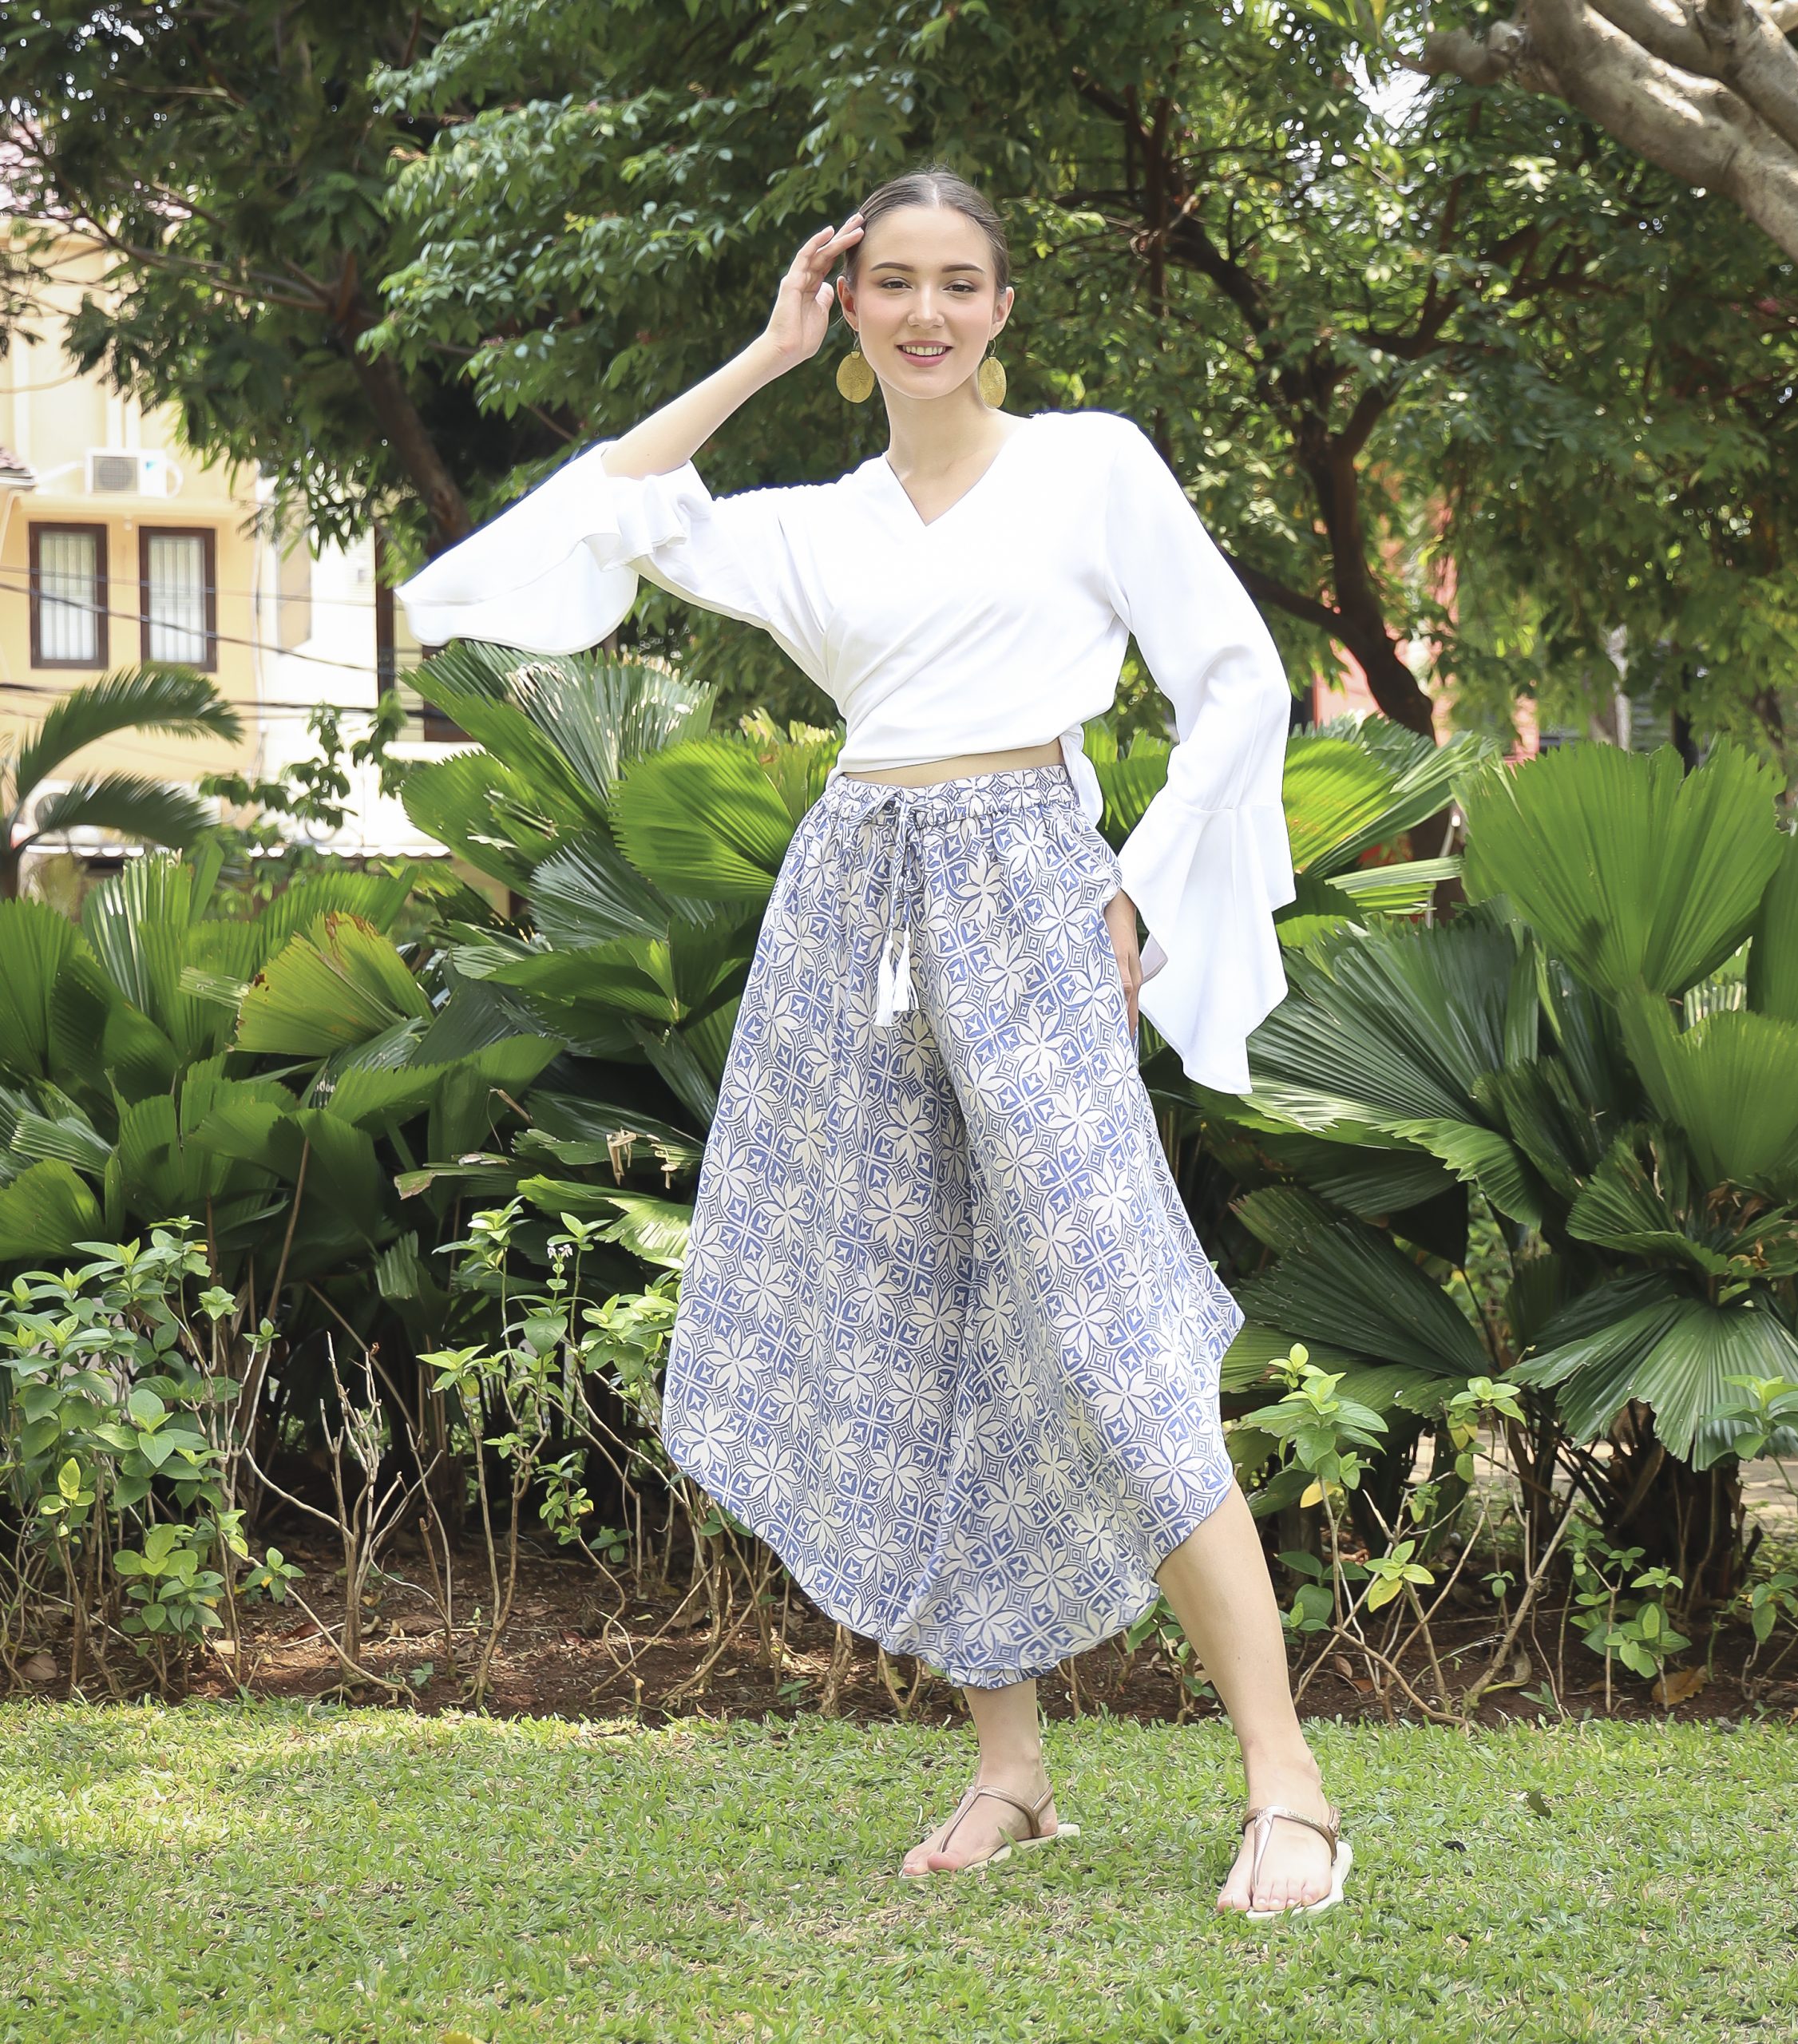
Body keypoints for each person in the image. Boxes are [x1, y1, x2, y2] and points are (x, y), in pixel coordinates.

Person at [398, 165, 1348, 1920]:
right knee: (918, 1328)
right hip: (854, 918)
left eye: (958, 281)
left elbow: (1237, 674)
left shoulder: (1090, 465)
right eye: (891, 281)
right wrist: (760, 357)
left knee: (1119, 1328)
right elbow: (596, 517)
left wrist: (1137, 889)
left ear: (1003, 306)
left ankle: (1286, 1785)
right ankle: (1010, 1772)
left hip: (1035, 901)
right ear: (850, 305)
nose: (926, 311)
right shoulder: (810, 523)